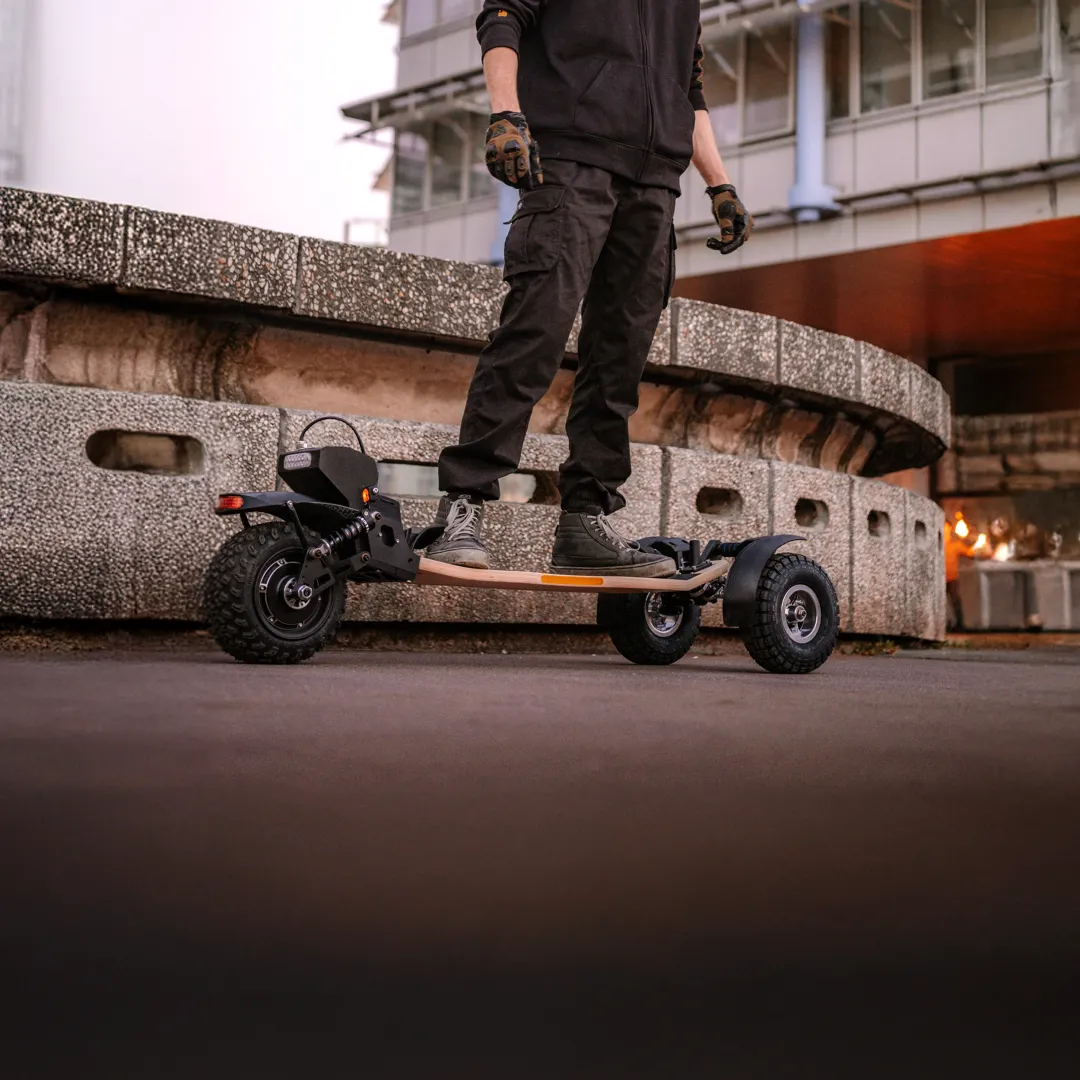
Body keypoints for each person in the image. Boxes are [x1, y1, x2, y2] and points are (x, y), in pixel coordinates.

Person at [426, 0, 753, 576]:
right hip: (569, 165)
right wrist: (506, 115)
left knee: (619, 360)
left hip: (655, 186)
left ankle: (585, 521)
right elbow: (502, 18)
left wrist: (719, 184)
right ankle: (465, 503)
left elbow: (688, 88)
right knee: (534, 334)